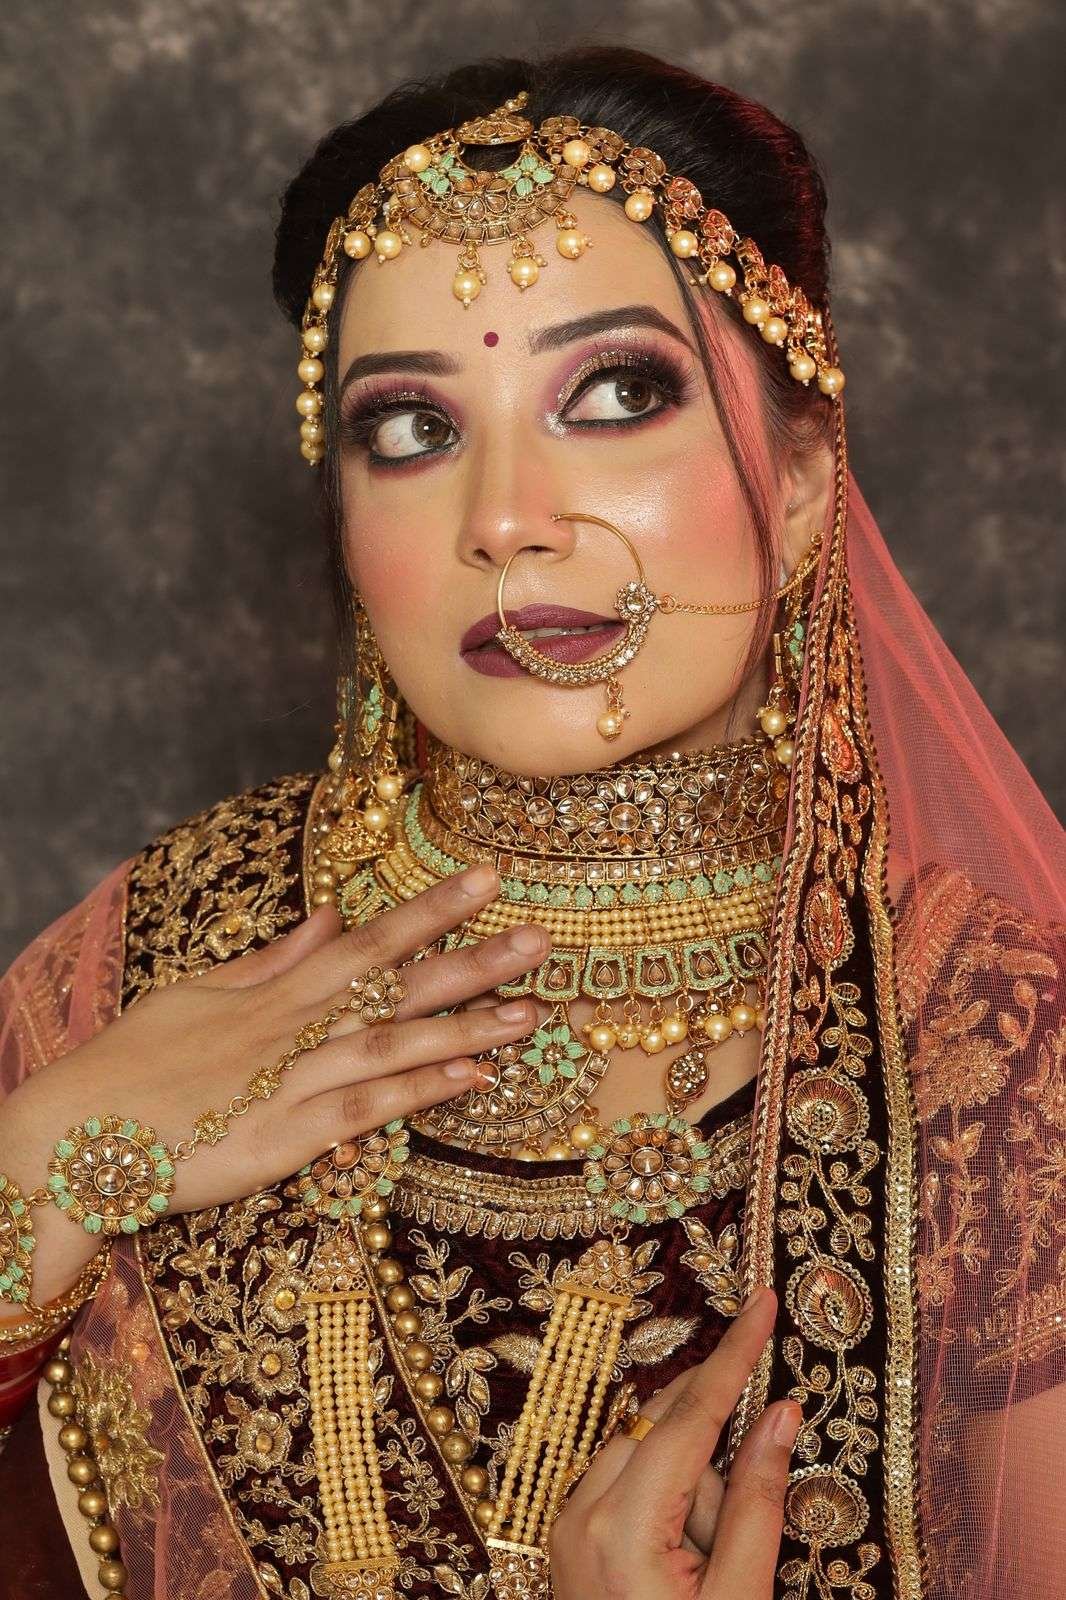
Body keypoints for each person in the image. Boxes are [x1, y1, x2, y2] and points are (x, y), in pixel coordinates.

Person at [0, 45, 1062, 1600]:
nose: (502, 519)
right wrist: (46, 1170)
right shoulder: (155, 961)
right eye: (409, 429)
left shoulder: (990, 1052)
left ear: (799, 481)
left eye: (615, 395)